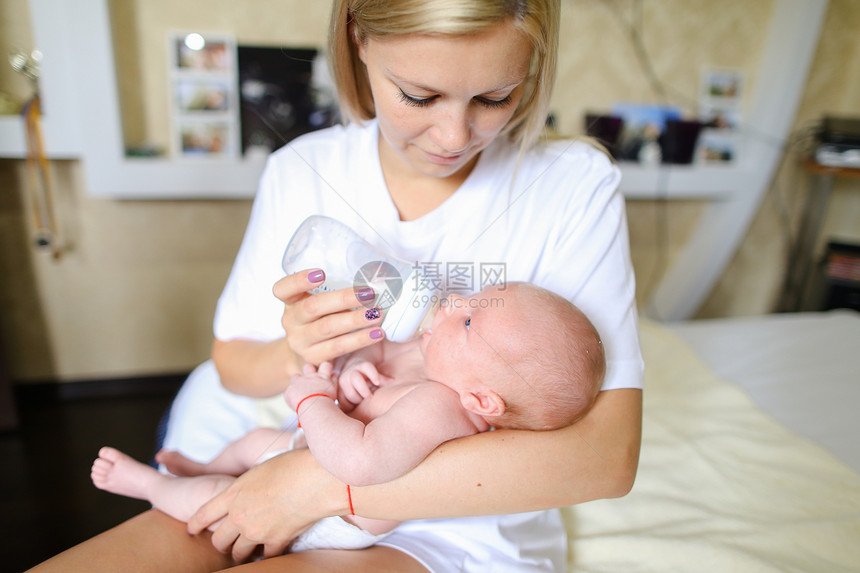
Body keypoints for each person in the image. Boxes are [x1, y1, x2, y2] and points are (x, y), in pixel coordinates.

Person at [28, 1, 643, 571]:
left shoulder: (571, 184)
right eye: (419, 95)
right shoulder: (304, 170)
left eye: (494, 96)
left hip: (462, 517)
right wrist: (299, 352)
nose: (455, 136)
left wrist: (318, 486)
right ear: (360, 41)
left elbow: (605, 459)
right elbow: (234, 366)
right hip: (292, 451)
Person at [90, 283, 606, 553]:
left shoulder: (441, 408)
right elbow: (379, 374)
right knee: (250, 444)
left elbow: (360, 460)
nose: (451, 304)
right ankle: (197, 464)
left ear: (485, 401)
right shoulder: (439, 374)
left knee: (217, 502)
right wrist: (358, 370)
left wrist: (312, 401)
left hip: (325, 518)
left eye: (468, 320)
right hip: (307, 458)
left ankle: (153, 487)